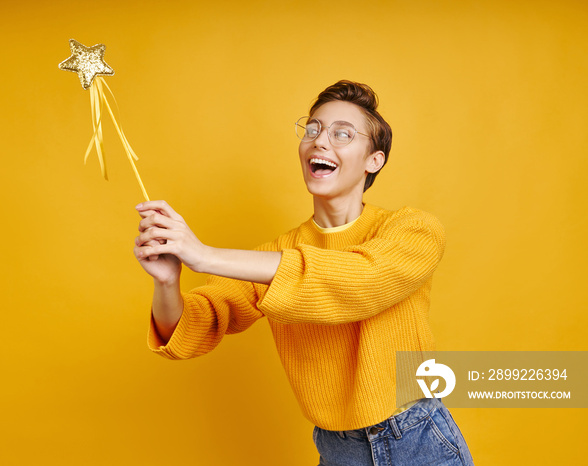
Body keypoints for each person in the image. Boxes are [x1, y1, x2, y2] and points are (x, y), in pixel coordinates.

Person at [133, 80, 474, 465]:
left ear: (373, 160)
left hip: (418, 441)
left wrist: (203, 255)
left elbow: (359, 280)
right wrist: (167, 283)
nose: (319, 141)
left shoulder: (413, 230)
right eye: (312, 129)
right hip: (337, 450)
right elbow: (194, 326)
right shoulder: (274, 257)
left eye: (341, 133)